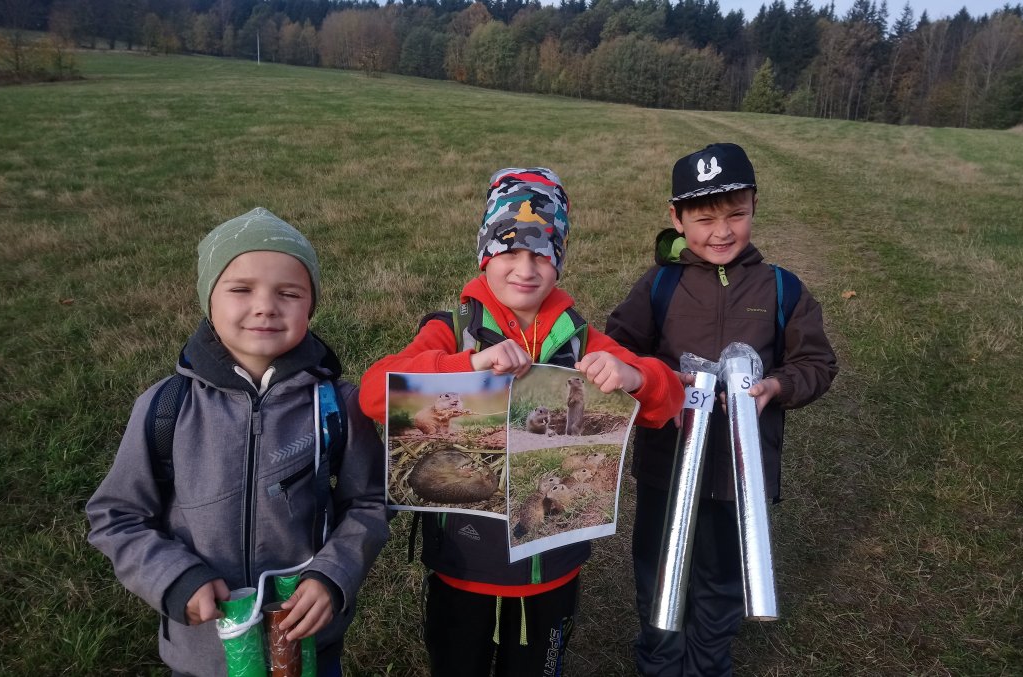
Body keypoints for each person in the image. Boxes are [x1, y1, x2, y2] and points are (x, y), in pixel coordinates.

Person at [358, 168, 684, 677]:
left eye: (542, 255)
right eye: (509, 251)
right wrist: (466, 366)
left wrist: (636, 375)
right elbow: (373, 393)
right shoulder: (452, 331)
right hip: (462, 567)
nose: (525, 269)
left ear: (559, 260)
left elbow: (668, 402)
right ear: (485, 255)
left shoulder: (581, 339)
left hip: (551, 571)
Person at [87, 208, 390, 677]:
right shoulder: (165, 407)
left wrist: (333, 574)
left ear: (311, 306)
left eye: (289, 293)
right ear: (208, 300)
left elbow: (370, 502)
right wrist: (174, 578)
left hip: (305, 644)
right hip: (202, 653)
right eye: (241, 289)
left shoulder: (338, 405)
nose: (266, 306)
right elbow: (116, 515)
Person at [605, 143, 839, 676]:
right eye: (704, 219)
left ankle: (709, 663)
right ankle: (660, 662)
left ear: (755, 206)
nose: (722, 232)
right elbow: (620, 349)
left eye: (736, 214)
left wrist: (777, 386)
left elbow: (817, 363)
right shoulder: (660, 285)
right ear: (677, 219)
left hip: (742, 476)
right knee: (660, 574)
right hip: (667, 468)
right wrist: (654, 380)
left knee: (723, 581)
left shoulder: (782, 289)